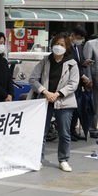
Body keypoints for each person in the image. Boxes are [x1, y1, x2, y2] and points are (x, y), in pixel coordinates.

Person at [29, 33, 79, 172]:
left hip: (64, 102)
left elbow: (74, 83)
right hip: (45, 101)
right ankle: (38, 159)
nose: (58, 47)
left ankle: (63, 159)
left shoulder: (72, 63)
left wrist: (57, 94)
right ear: (52, 45)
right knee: (41, 132)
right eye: (56, 44)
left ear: (67, 47)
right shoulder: (45, 61)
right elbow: (33, 79)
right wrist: (45, 92)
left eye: (62, 45)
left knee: (64, 133)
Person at [68, 26, 91, 140]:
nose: (80, 40)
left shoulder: (79, 47)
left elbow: (79, 62)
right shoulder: (66, 47)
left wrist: (84, 63)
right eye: (79, 37)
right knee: (70, 109)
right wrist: (82, 76)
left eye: (82, 38)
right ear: (72, 35)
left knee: (77, 108)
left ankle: (73, 130)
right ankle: (68, 132)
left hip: (79, 84)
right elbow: (70, 65)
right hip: (70, 82)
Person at [84, 34, 98, 138]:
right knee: (94, 105)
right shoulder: (91, 44)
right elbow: (87, 62)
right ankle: (93, 129)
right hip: (95, 80)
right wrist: (89, 79)